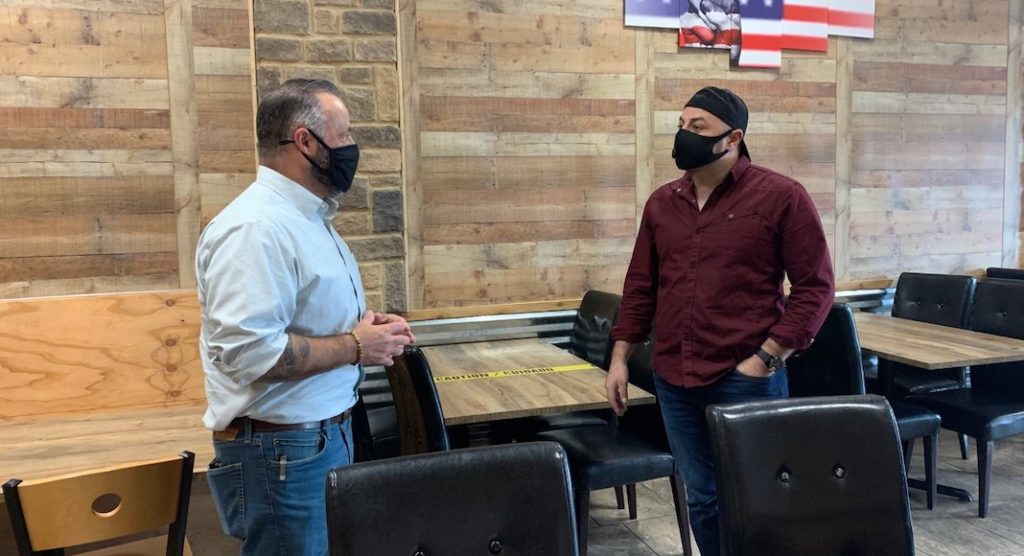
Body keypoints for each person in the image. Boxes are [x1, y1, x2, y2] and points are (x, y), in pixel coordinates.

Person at [605, 86, 834, 556]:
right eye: (681, 125)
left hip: (744, 377)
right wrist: (620, 358)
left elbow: (816, 288)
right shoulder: (662, 202)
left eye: (698, 127)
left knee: (759, 496)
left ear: (733, 138)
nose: (683, 135)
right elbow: (641, 286)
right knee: (703, 497)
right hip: (673, 377)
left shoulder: (781, 196)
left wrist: (766, 359)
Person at [196, 79, 415, 556]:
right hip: (283, 454)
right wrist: (356, 346)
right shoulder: (256, 228)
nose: (352, 146)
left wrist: (367, 329)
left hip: (316, 440)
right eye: (345, 134)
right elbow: (250, 353)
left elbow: (303, 316)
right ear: (305, 141)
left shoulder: (307, 218)